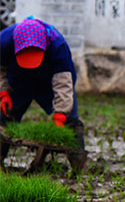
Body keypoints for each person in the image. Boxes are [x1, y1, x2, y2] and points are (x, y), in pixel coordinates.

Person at [0, 17, 85, 164]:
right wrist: (3, 92)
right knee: (3, 116)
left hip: (48, 83)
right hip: (18, 81)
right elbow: (0, 69)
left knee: (70, 120)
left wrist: (60, 114)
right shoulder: (3, 41)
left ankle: (78, 164)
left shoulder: (58, 46)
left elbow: (63, 83)